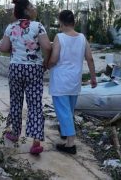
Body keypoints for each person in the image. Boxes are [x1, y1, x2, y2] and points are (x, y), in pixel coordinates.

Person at [0, 0, 51, 155]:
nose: (34, 9)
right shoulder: (38, 26)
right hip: (34, 70)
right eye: (32, 6)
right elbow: (47, 47)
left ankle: (15, 134)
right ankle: (35, 142)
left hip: (15, 69)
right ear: (27, 10)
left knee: (15, 102)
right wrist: (46, 62)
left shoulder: (11, 27)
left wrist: (15, 49)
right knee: (35, 104)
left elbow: (3, 47)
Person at [48, 10, 97, 154]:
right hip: (75, 81)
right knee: (68, 110)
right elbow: (90, 58)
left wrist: (47, 65)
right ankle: (65, 132)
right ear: (74, 22)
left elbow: (54, 58)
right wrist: (93, 77)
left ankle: (70, 144)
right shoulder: (82, 38)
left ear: (61, 22)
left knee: (63, 112)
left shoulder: (60, 37)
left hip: (60, 81)